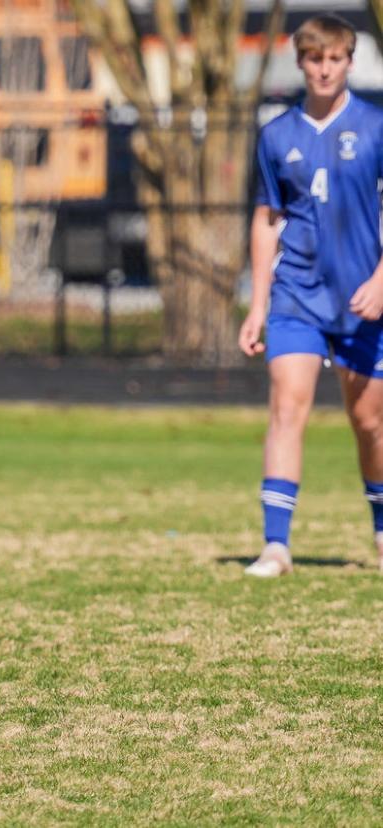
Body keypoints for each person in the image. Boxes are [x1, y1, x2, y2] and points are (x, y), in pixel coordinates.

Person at [239, 14, 383, 577]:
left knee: (370, 422)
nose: (325, 69)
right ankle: (276, 545)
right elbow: (266, 219)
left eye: (335, 58)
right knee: (286, 406)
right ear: (300, 63)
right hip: (296, 295)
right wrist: (257, 305)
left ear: (349, 61)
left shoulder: (375, 127)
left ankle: (379, 527)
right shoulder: (276, 135)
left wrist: (380, 281)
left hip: (361, 301)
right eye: (314, 58)